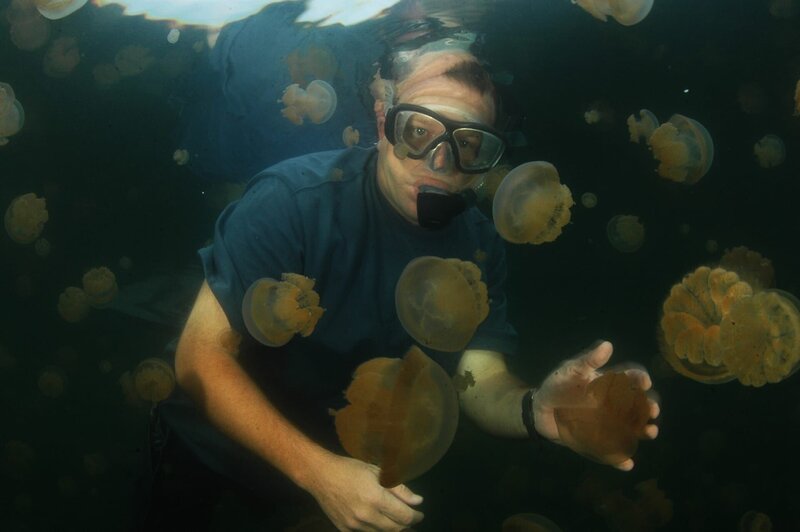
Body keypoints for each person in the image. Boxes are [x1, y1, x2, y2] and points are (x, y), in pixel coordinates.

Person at [152, 41, 660, 532]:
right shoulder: (293, 201)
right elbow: (200, 356)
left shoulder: (479, 244)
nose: (440, 161)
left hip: (352, 489)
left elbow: (476, 374)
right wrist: (317, 473)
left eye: (466, 144)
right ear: (382, 122)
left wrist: (535, 409)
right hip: (210, 462)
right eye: (418, 131)